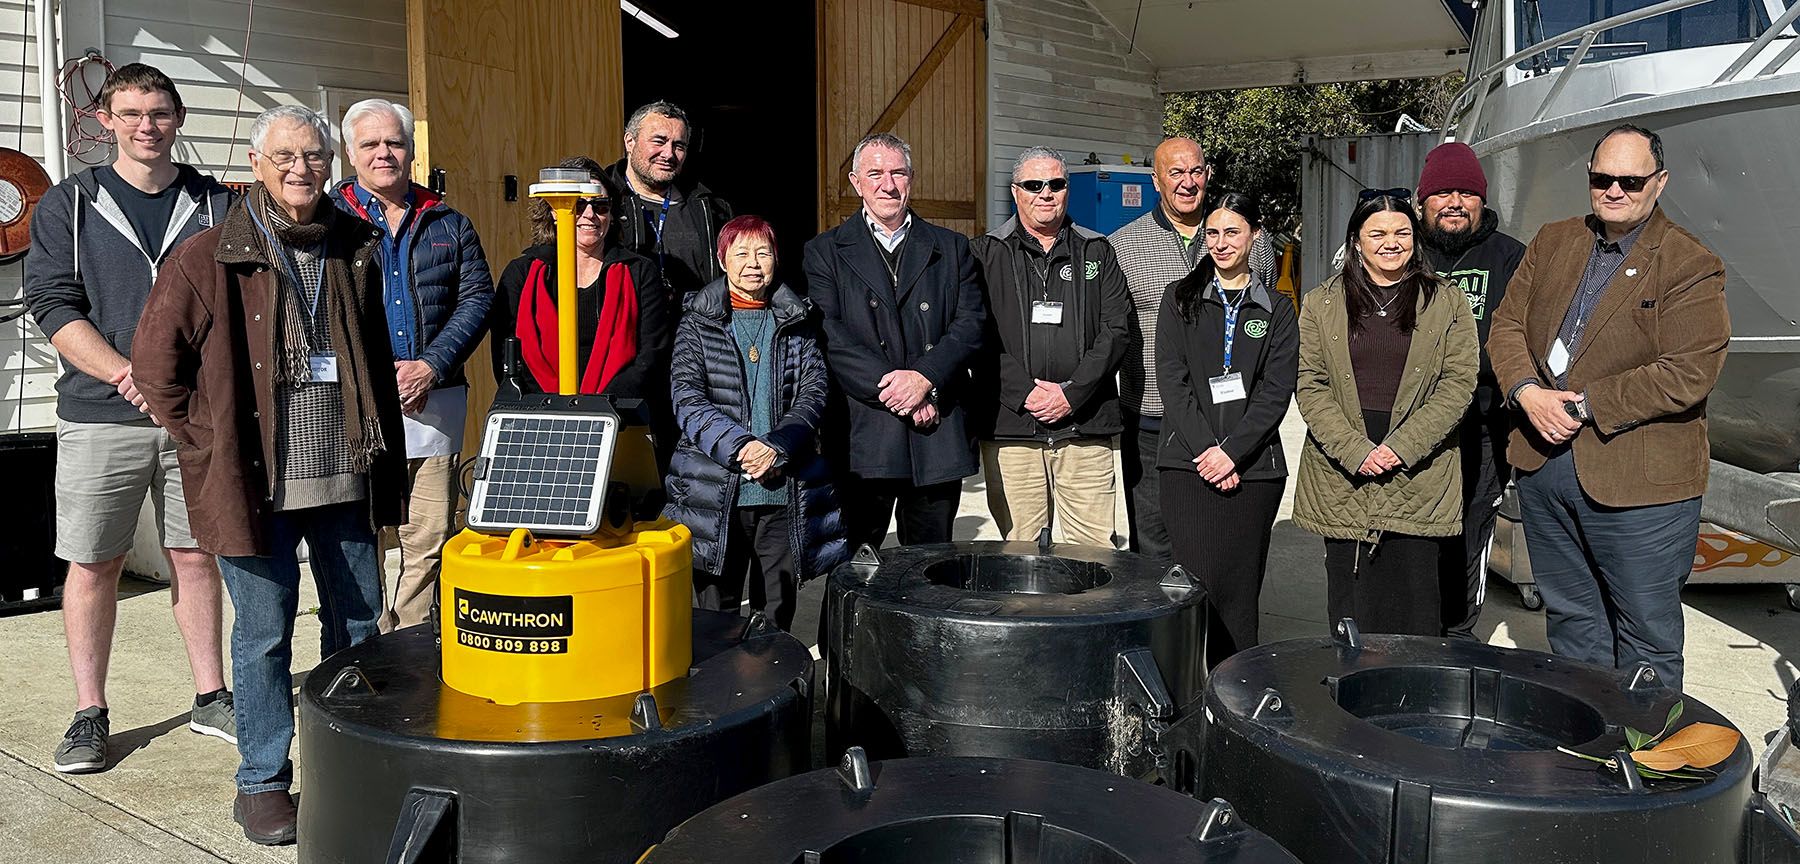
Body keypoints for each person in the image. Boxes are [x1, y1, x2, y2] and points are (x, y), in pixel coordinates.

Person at [133, 104, 408, 845]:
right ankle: (260, 781)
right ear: (256, 164)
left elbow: (374, 361)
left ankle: (350, 764)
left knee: (355, 630)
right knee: (263, 638)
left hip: (344, 476)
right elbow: (156, 370)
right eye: (285, 156)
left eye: (315, 156)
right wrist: (204, 440)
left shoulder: (354, 242)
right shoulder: (206, 255)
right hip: (255, 486)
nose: (301, 169)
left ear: (332, 164)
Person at [22, 62, 235, 776]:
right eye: (132, 113)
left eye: (161, 112)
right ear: (105, 122)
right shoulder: (69, 204)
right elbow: (53, 304)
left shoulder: (217, 204)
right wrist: (125, 372)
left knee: (195, 558)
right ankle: (90, 712)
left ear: (179, 120)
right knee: (94, 563)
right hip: (99, 415)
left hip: (196, 417)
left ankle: (212, 695)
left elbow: (240, 305)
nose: (148, 126)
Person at [1487, 124, 1727, 691]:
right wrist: (1525, 391)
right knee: (1572, 624)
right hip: (1545, 468)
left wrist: (1584, 405)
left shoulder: (1690, 263)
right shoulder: (1554, 240)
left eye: (1630, 180)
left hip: (1639, 486)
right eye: (1602, 178)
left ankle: (1647, 765)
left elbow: (1690, 370)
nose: (1614, 190)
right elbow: (1507, 325)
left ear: (1660, 183)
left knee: (1646, 637)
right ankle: (1588, 755)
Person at [331, 98, 492, 632]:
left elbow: (476, 301)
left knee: (426, 535)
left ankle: (410, 647)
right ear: (349, 152)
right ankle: (362, 645)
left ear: (411, 151)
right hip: (353, 402)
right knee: (361, 532)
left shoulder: (449, 223)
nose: (384, 154)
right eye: (371, 144)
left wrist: (429, 364)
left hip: (435, 399)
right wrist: (374, 374)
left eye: (394, 143)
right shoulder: (330, 223)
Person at [1292, 191, 1477, 636]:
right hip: (1343, 467)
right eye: (1377, 233)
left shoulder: (1446, 302)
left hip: (1419, 468)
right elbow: (1309, 383)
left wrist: (1401, 447)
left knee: (1414, 604)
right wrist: (1356, 450)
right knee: (1351, 607)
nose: (1390, 242)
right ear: (1357, 240)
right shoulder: (1322, 303)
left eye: (1402, 232)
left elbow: (1459, 383)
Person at [802, 132, 985, 550]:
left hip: (935, 429)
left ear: (912, 178)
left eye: (898, 173)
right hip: (865, 435)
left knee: (929, 569)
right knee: (856, 568)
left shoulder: (951, 248)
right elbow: (829, 333)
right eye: (876, 173)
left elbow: (970, 323)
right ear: (855, 182)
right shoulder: (824, 251)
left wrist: (925, 379)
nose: (888, 184)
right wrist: (898, 390)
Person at [664, 216, 847, 630]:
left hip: (781, 490)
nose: (753, 263)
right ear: (722, 259)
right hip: (715, 491)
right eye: (741, 253)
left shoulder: (797, 322)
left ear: (776, 260)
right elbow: (687, 397)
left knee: (776, 613)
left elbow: (814, 392)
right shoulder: (697, 322)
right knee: (716, 614)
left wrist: (778, 446)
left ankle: (774, 688)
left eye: (763, 252)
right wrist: (741, 447)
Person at [1110, 137, 1274, 568]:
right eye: (1175, 173)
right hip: (1150, 419)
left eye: (1196, 171)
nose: (1187, 182)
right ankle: (1162, 633)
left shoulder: (1252, 242)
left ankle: (1211, 632)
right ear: (1156, 180)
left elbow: (1265, 331)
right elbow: (1112, 334)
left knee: (1218, 542)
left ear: (1209, 174)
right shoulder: (1123, 247)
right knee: (1154, 542)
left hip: (1228, 421)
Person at [1156, 193, 1297, 663]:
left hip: (1254, 469)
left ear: (1254, 236)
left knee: (1238, 589)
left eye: (1232, 232)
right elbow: (1172, 384)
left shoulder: (1276, 309)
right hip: (1187, 463)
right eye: (1211, 233)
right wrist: (1207, 451)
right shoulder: (1179, 300)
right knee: (1194, 583)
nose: (1220, 243)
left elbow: (1275, 391)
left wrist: (1232, 453)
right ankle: (1188, 686)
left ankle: (1233, 691)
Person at [970, 146, 1130, 547]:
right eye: (1034, 184)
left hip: (1085, 428)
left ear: (1067, 190)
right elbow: (975, 337)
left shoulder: (1098, 250)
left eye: (1056, 184)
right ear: (1016, 191)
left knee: (1093, 554)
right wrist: (1026, 393)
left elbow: (1116, 331)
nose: (1046, 193)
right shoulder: (983, 254)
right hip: (1012, 430)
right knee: (1021, 552)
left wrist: (1071, 394)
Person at [1414, 142, 1527, 639]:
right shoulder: (1401, 248)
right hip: (1409, 429)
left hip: (1481, 431)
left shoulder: (1511, 257)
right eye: (1442, 192)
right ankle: (1412, 631)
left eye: (1466, 192)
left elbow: (1525, 339)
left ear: (1482, 199)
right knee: (1412, 536)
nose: (1454, 202)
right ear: (1423, 200)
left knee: (1468, 533)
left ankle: (1458, 637)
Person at [490, 157, 669, 403]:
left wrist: (597, 406)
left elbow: (651, 355)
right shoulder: (521, 273)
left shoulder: (639, 272)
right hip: (540, 414)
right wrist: (552, 407)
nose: (589, 214)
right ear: (553, 211)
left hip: (618, 414)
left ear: (613, 214)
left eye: (600, 205)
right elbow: (504, 355)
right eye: (577, 203)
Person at [605, 100, 735, 303]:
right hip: (629, 330)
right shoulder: (601, 203)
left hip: (698, 331)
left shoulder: (710, 208)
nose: (668, 154)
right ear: (630, 142)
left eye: (679, 145)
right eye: (659, 141)